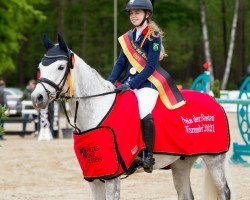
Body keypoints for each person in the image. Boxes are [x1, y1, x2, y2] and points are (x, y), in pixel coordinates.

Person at [108, 0, 167, 173]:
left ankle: (148, 155)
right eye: (131, 13)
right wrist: (109, 82)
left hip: (147, 83)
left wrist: (131, 84)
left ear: (147, 14)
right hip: (129, 83)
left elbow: (150, 67)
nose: (133, 16)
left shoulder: (153, 36)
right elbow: (120, 63)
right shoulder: (128, 36)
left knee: (142, 112)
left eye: (137, 13)